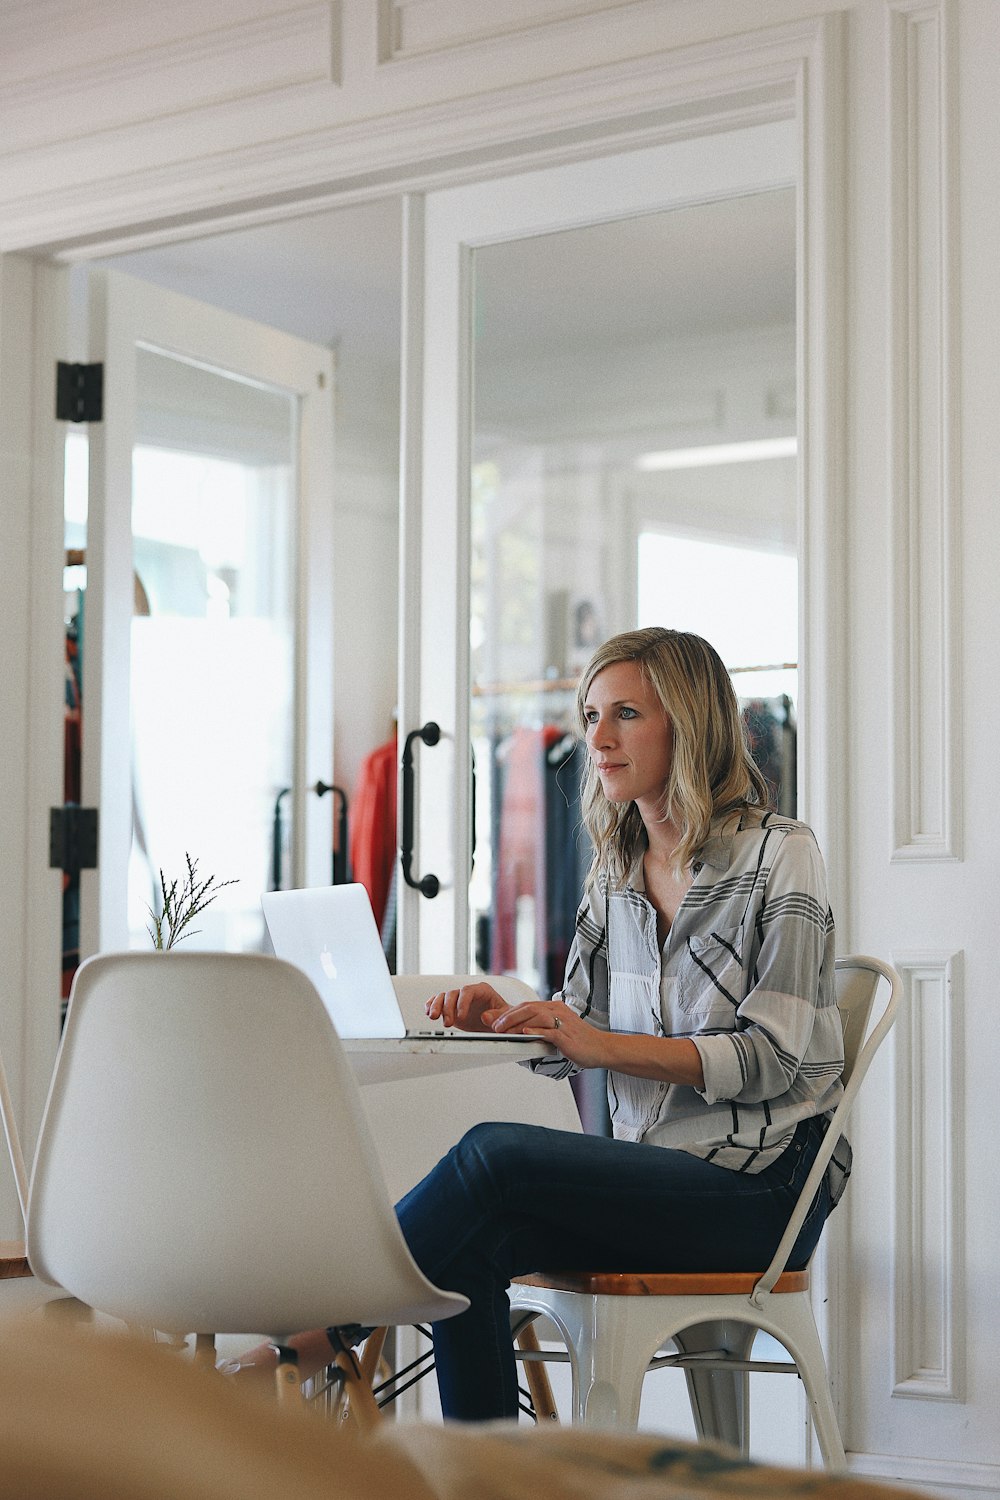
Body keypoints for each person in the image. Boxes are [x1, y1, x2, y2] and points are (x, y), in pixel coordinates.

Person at [229, 627, 848, 1421]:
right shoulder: (615, 869)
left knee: (497, 1154)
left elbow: (775, 1058)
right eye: (591, 714)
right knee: (471, 1250)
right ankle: (487, 1478)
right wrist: (510, 1019)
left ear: (689, 725)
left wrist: (597, 1043)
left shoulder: (780, 854)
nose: (597, 736)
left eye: (625, 713)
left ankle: (313, 1331)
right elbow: (576, 1036)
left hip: (760, 1191)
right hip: (657, 1177)